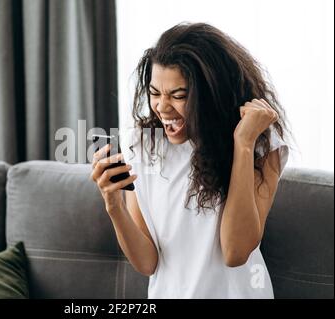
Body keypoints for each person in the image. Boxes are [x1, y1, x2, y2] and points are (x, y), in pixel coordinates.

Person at [90, 22, 289, 298]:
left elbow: (235, 252)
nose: (162, 107)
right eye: (155, 93)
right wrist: (113, 205)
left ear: (211, 93)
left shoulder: (262, 145)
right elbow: (148, 263)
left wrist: (243, 145)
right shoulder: (140, 144)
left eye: (179, 95)